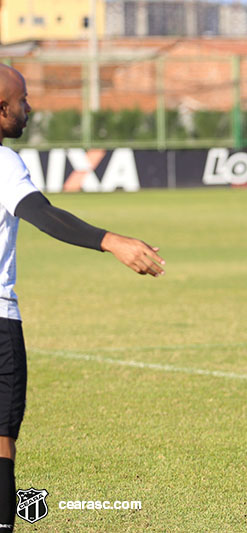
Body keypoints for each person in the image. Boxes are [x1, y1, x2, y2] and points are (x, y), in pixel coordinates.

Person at [0, 64, 165, 531]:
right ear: (1, 108)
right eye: (22, 101)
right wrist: (112, 241)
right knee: (1, 440)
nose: (29, 108)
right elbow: (42, 215)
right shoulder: (4, 163)